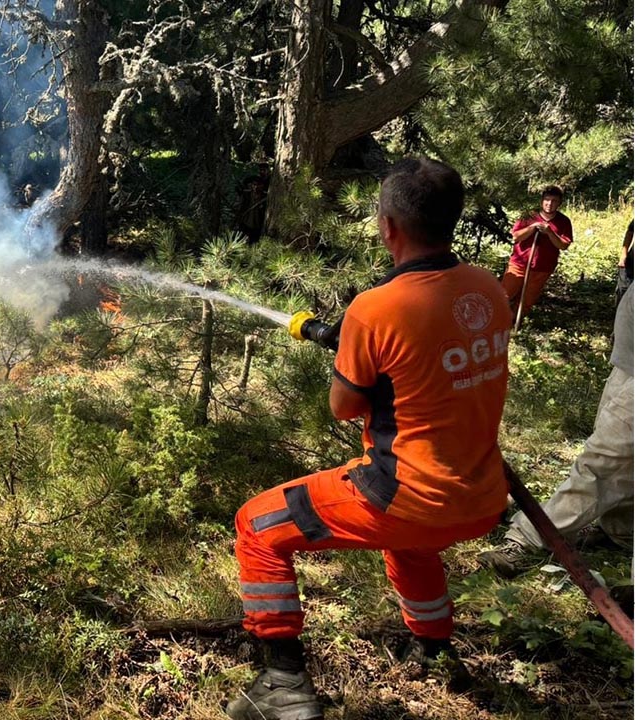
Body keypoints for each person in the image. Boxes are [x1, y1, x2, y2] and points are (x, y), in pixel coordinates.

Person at [226, 158, 513, 720]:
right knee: (410, 543)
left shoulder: (375, 309)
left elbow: (344, 406)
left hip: (405, 495)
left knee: (257, 525)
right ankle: (433, 648)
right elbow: (428, 364)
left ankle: (282, 682)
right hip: (480, 497)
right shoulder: (486, 288)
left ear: (389, 227)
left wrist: (355, 345)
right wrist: (361, 345)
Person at [478, 286, 634, 578]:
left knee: (602, 463)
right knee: (624, 461)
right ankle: (621, 530)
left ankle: (528, 539)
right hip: (628, 361)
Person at [501, 186, 573, 323]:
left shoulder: (563, 221)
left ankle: (513, 324)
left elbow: (563, 245)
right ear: (541, 201)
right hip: (519, 263)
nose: (549, 204)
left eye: (554, 201)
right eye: (547, 200)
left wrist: (550, 232)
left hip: (542, 267)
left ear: (559, 203)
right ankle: (493, 321)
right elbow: (515, 237)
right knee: (504, 294)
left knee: (527, 299)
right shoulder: (529, 216)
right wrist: (532, 227)